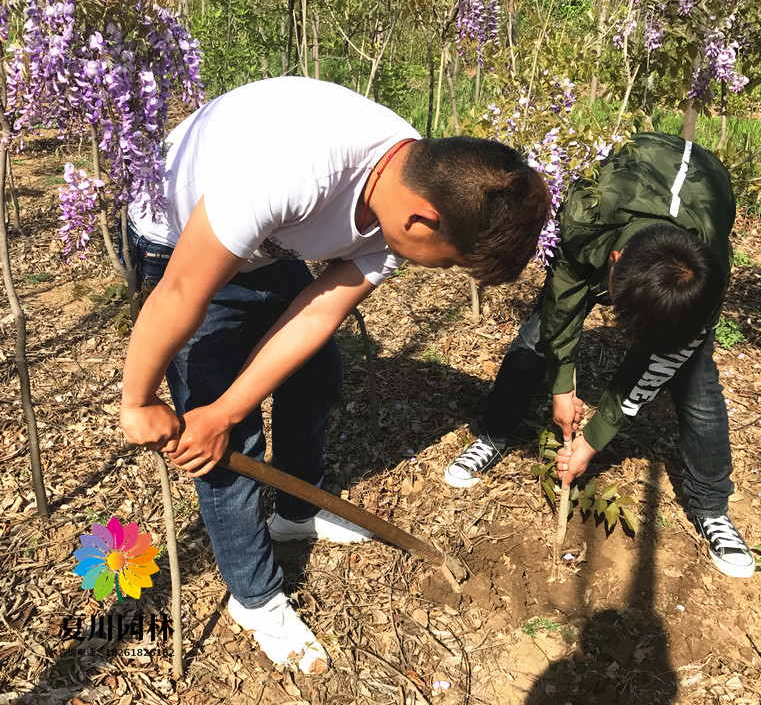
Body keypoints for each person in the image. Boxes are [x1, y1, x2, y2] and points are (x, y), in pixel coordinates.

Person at [120, 76, 549, 672]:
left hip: (266, 244)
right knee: (217, 443)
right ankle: (255, 597)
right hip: (177, 237)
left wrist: (230, 406)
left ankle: (295, 514)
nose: (440, 271)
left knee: (314, 377)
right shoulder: (294, 168)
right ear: (422, 222)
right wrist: (140, 399)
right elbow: (183, 288)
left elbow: (321, 308)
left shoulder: (415, 185)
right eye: (449, 262)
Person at [444, 132, 755, 579]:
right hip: (616, 216)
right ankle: (494, 433)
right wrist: (562, 383)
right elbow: (563, 299)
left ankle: (712, 508)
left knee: (696, 381)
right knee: (537, 337)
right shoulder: (586, 213)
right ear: (613, 260)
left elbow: (659, 363)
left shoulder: (704, 277)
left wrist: (592, 440)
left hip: (699, 207)